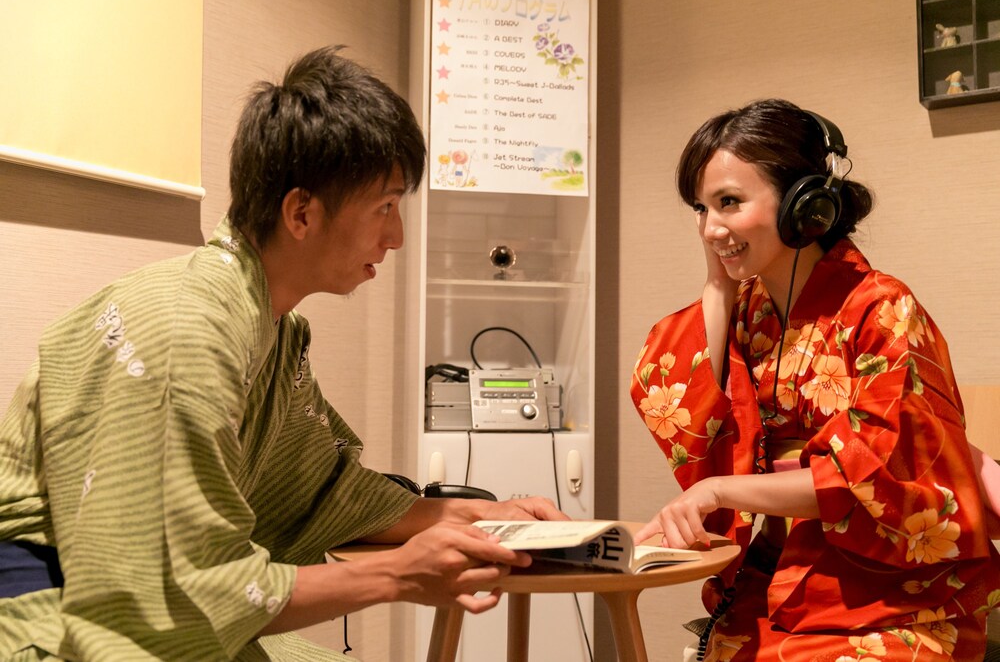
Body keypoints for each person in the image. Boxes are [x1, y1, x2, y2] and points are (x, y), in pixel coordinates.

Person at [0, 46, 565, 661]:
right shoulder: (189, 329)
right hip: (57, 624)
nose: (397, 236)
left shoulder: (273, 329)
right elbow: (167, 588)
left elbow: (319, 489)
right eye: (384, 207)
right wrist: (397, 575)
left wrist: (472, 514)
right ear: (302, 212)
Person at [630, 99, 1000, 660]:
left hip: (888, 595)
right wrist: (717, 286)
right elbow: (683, 403)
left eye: (729, 202)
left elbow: (867, 476)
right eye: (701, 210)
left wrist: (720, 490)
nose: (711, 228)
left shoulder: (883, 309)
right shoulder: (747, 311)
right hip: (772, 584)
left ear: (807, 204)